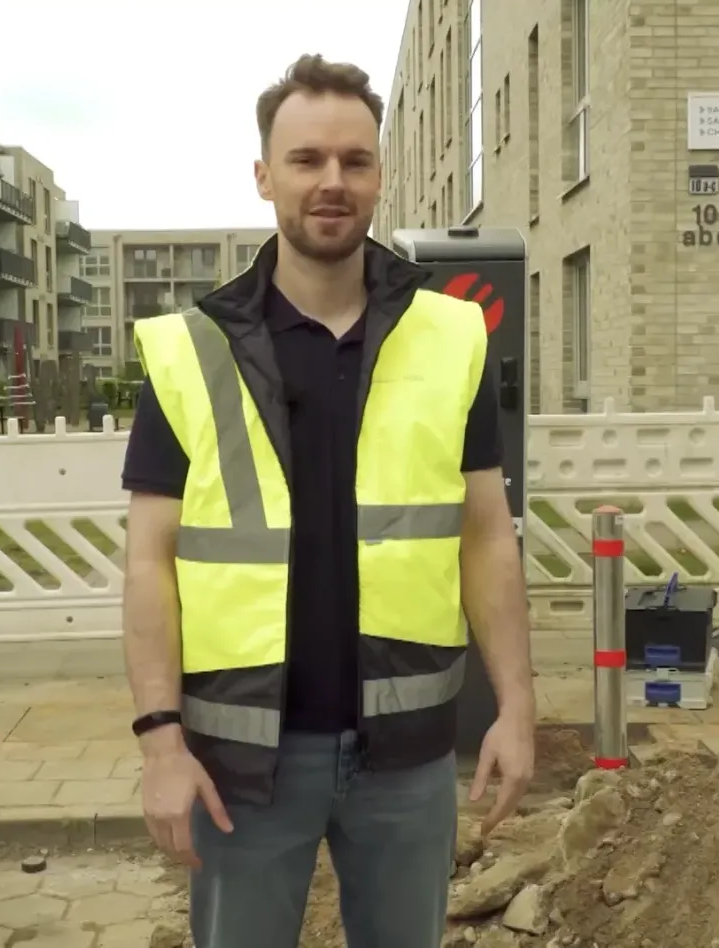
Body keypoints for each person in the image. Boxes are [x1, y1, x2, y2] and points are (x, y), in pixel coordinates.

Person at [118, 54, 537, 948]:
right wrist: (161, 743)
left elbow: (486, 536)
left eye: (356, 160)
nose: (333, 182)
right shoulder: (191, 351)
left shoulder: (452, 333)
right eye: (307, 160)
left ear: (381, 174)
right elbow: (150, 561)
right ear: (265, 177)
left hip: (408, 755)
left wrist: (516, 705)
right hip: (240, 760)